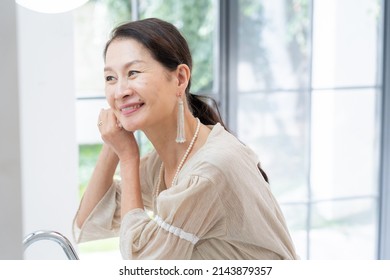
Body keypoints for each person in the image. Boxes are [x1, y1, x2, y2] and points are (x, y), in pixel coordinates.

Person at [73, 17, 298, 260]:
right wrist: (114, 143)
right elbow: (89, 224)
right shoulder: (162, 163)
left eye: (133, 72)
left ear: (180, 78)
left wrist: (127, 157)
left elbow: (144, 263)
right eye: (110, 78)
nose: (119, 91)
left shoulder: (211, 168)